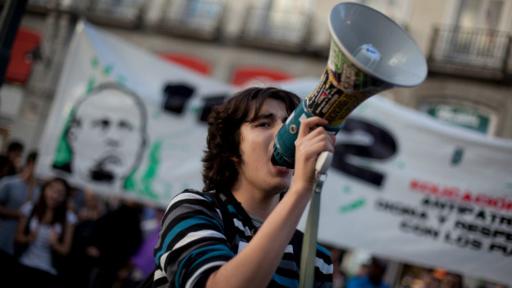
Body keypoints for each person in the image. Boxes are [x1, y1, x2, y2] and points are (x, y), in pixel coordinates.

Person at [152, 87, 335, 287]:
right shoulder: (195, 210)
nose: (286, 136)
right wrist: (301, 189)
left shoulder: (315, 259)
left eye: (290, 125)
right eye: (264, 124)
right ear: (232, 148)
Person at [52, 83, 148, 189]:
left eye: (125, 127)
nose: (113, 138)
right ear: (73, 134)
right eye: (102, 124)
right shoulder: (53, 179)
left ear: (142, 143)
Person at [15, 177, 76, 288]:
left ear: (64, 197)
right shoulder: (30, 208)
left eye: (60, 193)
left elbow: (66, 250)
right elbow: (18, 237)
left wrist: (55, 244)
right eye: (52, 190)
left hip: (48, 269)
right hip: (25, 262)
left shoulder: (68, 218)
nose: (54, 196)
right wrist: (29, 238)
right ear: (45, 190)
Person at [0, 151, 39, 286]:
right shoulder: (9, 183)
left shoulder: (41, 191)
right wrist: (15, 214)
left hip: (21, 249)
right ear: (30, 164)